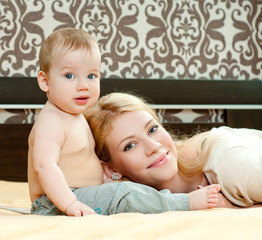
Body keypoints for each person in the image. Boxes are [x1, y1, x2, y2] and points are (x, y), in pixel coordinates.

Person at [28, 28, 220, 217]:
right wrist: (70, 203)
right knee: (124, 194)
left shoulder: (74, 116)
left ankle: (165, 200)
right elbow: (45, 165)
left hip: (78, 196)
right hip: (54, 202)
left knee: (125, 190)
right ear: (45, 81)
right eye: (69, 76)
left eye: (91, 76)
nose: (83, 85)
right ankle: (183, 202)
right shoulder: (51, 122)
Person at [85, 92, 262, 208]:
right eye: (130, 146)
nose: (154, 147)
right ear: (110, 169)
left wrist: (231, 208)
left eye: (152, 129)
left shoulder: (229, 163)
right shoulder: (132, 199)